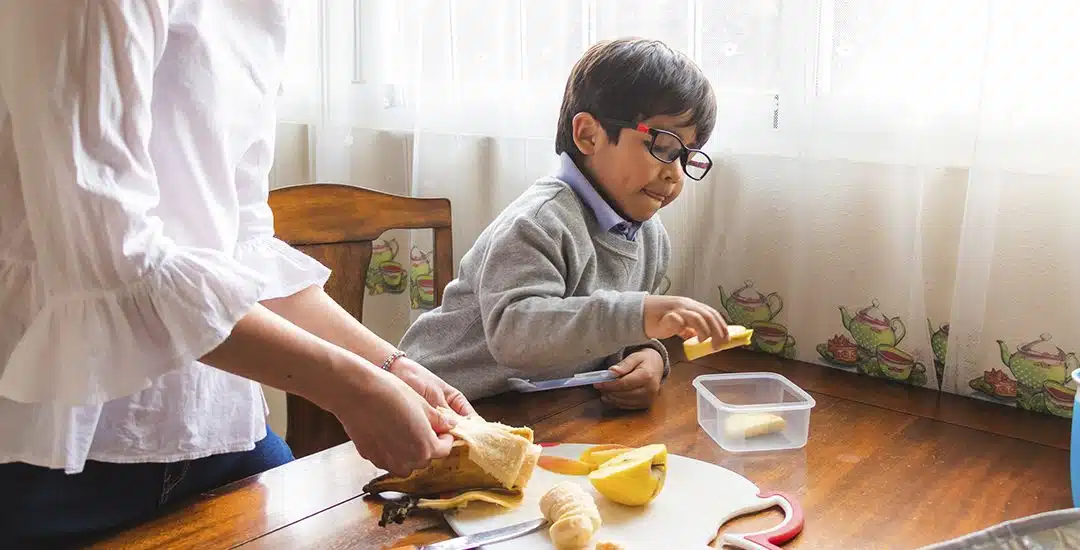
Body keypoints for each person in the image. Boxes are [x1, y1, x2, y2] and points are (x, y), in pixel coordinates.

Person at [0, 1, 472, 547]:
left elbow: (246, 250)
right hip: (56, 450)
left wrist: (392, 365)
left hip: (213, 428)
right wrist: (354, 388)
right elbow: (115, 260)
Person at [399, 38, 729, 409]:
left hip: (537, 408)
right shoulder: (538, 223)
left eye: (686, 156)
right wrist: (638, 314)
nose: (674, 175)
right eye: (663, 147)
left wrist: (647, 354)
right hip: (432, 401)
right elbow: (515, 335)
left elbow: (602, 332)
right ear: (588, 134)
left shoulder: (651, 239)